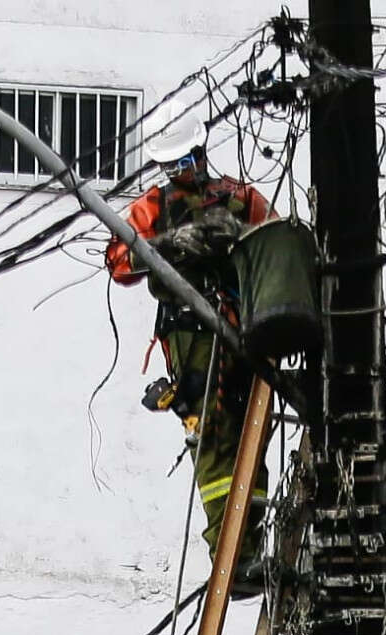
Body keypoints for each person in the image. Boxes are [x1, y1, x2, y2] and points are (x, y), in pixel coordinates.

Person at [102, 147, 275, 560]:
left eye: (185, 162)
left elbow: (276, 244)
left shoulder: (240, 197)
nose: (181, 172)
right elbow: (120, 263)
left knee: (252, 433)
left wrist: (238, 233)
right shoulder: (154, 205)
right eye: (172, 166)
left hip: (244, 330)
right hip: (190, 333)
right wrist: (165, 244)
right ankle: (229, 550)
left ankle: (247, 545)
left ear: (200, 154)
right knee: (212, 436)